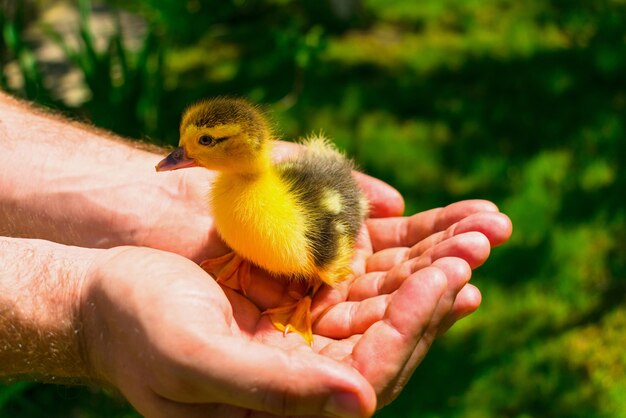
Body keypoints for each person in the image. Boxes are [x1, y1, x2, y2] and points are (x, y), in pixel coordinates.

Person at [0, 91, 512, 418]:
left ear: (243, 146)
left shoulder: (266, 203)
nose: (180, 155)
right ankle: (263, 269)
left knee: (317, 254)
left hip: (302, 234)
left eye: (204, 143)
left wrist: (316, 282)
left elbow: (325, 232)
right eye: (187, 143)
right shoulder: (235, 194)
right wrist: (86, 314)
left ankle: (305, 295)